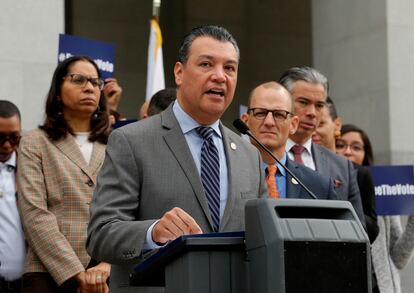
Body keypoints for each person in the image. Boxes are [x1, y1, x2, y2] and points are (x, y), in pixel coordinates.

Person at [86, 25, 267, 293]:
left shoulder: (249, 155)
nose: (220, 76)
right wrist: (153, 232)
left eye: (229, 68)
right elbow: (101, 234)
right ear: (179, 72)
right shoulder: (132, 140)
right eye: (206, 64)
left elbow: (260, 241)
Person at [17, 56, 111, 293]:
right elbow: (34, 214)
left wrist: (108, 265)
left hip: (107, 272)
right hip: (48, 273)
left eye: (95, 82)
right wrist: (76, 274)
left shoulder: (117, 144)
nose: (89, 87)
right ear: (57, 91)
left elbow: (129, 210)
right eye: (78, 79)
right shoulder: (34, 142)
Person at [279, 66, 366, 227]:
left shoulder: (342, 167)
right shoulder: (260, 156)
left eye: (319, 105)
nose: (312, 112)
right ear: (282, 101)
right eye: (303, 102)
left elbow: (358, 229)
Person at [337, 124, 414, 293]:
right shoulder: (328, 186)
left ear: (366, 154)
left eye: (356, 147)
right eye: (340, 145)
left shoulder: (382, 192)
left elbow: (399, 259)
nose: (348, 151)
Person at [241, 82, 336, 200]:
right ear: (245, 121)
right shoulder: (226, 175)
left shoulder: (319, 186)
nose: (269, 122)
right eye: (260, 113)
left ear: (293, 124)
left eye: (279, 115)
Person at [312, 99, 379, 242]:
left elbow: (372, 228)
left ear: (336, 125)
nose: (313, 130)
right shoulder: (294, 162)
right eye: (342, 145)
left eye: (320, 124)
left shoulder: (357, 173)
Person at [0, 100, 25, 293]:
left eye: (14, 138)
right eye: (0, 138)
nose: (7, 145)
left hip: (23, 283)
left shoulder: (31, 169)